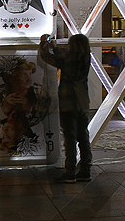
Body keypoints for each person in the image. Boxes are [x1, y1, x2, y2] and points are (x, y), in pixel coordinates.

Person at [39, 34, 93, 183]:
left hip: (69, 102)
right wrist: (55, 48)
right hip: (82, 102)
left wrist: (43, 44)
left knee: (69, 137)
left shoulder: (69, 59)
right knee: (83, 136)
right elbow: (63, 59)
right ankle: (85, 170)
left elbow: (49, 58)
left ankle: (70, 172)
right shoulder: (86, 57)